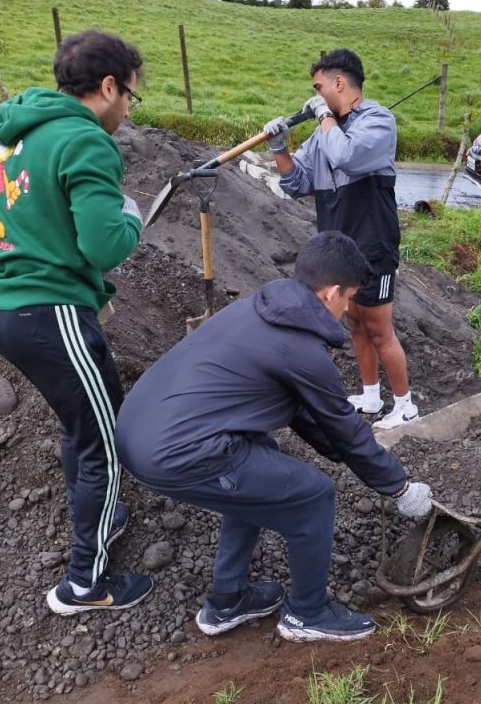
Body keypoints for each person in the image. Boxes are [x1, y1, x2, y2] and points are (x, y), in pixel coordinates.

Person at [115, 231, 433, 642]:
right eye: (348, 299)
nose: (347, 309)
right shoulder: (300, 349)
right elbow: (344, 425)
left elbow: (302, 410)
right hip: (176, 451)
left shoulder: (253, 310)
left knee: (257, 461)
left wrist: (341, 452)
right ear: (331, 292)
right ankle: (307, 612)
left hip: (137, 430)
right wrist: (399, 488)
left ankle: (227, 600)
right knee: (313, 496)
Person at [0, 30, 153, 615]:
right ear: (108, 87)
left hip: (0, 303)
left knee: (85, 415)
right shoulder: (86, 140)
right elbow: (103, 242)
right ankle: (85, 584)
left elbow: (29, 220)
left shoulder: (10, 136)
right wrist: (132, 214)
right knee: (107, 436)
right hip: (47, 307)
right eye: (130, 95)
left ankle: (104, 512)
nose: (127, 109)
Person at [261, 49, 416, 430]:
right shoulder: (322, 134)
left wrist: (324, 116)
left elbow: (347, 157)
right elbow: (297, 183)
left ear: (339, 83)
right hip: (338, 245)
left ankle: (405, 405)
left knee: (379, 327)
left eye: (318, 87)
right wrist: (280, 148)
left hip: (373, 242)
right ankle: (369, 395)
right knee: (357, 324)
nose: (315, 94)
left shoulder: (378, 121)